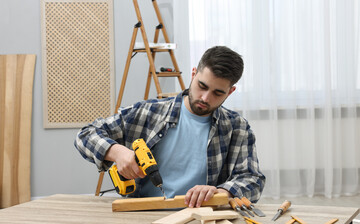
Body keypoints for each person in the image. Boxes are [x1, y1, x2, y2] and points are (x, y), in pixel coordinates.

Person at [74, 46, 265, 208]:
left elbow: (252, 179)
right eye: (202, 86)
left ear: (230, 92)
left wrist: (222, 191)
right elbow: (85, 135)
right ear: (193, 74)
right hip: (144, 212)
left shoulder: (237, 127)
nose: (205, 98)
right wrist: (117, 153)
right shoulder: (148, 112)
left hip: (201, 216)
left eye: (217, 92)